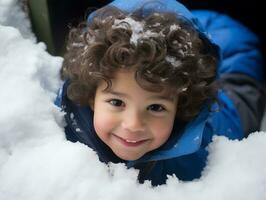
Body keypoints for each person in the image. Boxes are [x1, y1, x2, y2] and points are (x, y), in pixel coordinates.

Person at [55, 0, 265, 186]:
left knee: (242, 80)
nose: (133, 124)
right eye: (117, 102)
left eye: (155, 107)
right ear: (92, 97)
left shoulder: (207, 145)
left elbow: (232, 122)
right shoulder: (61, 128)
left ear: (180, 107)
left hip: (232, 51)